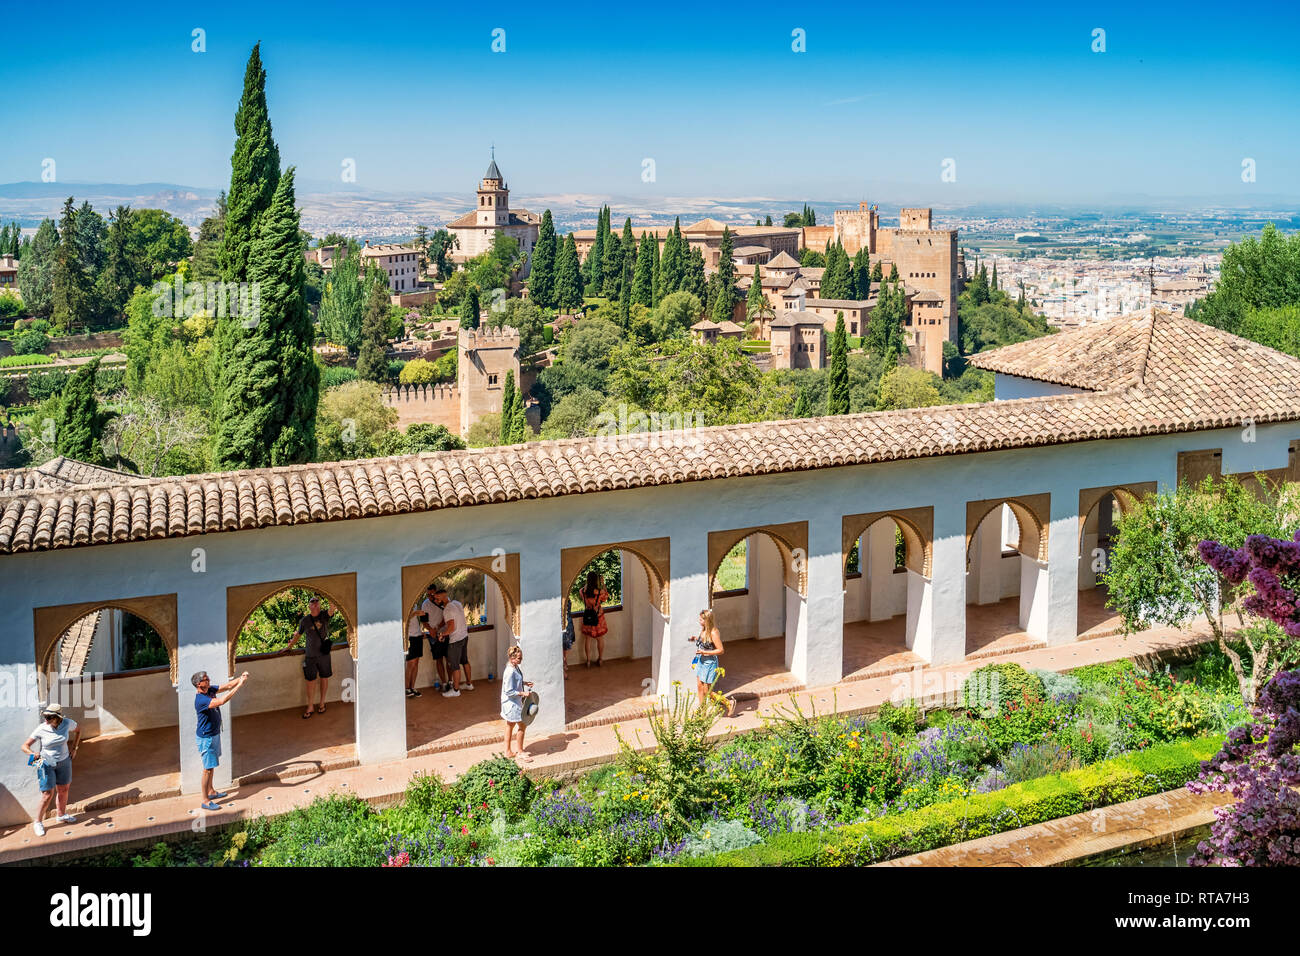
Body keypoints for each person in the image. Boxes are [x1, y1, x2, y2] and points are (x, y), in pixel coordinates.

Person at [192, 669, 249, 811]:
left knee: (211, 767)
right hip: (206, 738)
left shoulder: (209, 689)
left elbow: (227, 686)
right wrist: (239, 686)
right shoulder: (201, 700)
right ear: (199, 684)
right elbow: (222, 701)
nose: (209, 680)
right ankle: (205, 800)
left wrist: (241, 678)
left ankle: (211, 792)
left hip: (213, 735)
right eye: (206, 679)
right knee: (207, 769)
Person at [21, 702, 80, 837]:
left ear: (58, 717)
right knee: (47, 794)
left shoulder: (67, 723)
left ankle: (61, 815)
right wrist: (32, 754)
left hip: (64, 761)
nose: (46, 720)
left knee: (64, 789)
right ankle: (38, 822)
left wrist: (75, 748)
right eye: (45, 717)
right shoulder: (41, 728)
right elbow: (24, 746)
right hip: (45, 763)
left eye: (49, 717)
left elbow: (78, 731)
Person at [286, 596, 333, 718]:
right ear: (309, 606)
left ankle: (322, 703)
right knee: (310, 681)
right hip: (310, 656)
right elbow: (298, 635)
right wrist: (289, 647)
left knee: (324, 678)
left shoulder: (324, 615)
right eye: (312, 601)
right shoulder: (305, 621)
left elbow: (332, 609)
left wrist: (330, 597)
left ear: (320, 604)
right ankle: (310, 706)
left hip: (324, 655)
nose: (315, 603)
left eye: (317, 601)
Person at [433, 587, 472, 696]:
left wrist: (442, 634)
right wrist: (441, 626)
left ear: (443, 598)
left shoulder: (447, 610)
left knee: (454, 666)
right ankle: (469, 684)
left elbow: (451, 628)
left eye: (437, 599)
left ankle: (455, 691)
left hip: (456, 640)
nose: (436, 601)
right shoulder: (456, 603)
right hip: (464, 636)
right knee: (464, 661)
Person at [688, 607, 727, 710]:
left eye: (701, 619)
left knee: (707, 691)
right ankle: (702, 711)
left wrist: (704, 652)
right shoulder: (704, 629)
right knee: (700, 687)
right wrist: (695, 639)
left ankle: (728, 702)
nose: (699, 621)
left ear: (706, 620)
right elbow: (705, 642)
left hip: (709, 663)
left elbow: (721, 650)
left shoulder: (713, 632)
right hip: (701, 660)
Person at [500, 645, 533, 763]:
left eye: (521, 658)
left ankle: (508, 751)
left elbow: (515, 682)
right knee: (523, 725)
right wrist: (522, 693)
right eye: (519, 658)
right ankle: (520, 751)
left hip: (512, 703)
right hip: (512, 703)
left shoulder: (514, 668)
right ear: (512, 658)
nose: (521, 660)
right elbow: (509, 691)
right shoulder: (510, 671)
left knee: (510, 726)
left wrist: (524, 682)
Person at [420, 585, 449, 690]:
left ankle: (450, 681)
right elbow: (423, 621)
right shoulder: (425, 604)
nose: (430, 597)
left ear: (436, 592)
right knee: (438, 659)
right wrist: (431, 630)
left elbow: (447, 616)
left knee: (449, 658)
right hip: (433, 635)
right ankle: (444, 683)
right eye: (427, 595)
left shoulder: (445, 601)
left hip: (445, 633)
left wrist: (439, 627)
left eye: (432, 594)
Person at [578, 571, 609, 667]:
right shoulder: (599, 592)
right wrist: (603, 583)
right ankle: (600, 659)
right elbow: (606, 596)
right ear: (596, 580)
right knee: (599, 639)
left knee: (588, 639)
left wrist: (587, 584)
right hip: (598, 616)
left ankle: (588, 661)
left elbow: (582, 591)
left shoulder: (582, 591)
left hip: (588, 616)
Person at [405, 609, 426, 698]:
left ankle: (412, 687)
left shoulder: (414, 603)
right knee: (411, 664)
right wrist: (415, 613)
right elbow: (404, 619)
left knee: (416, 663)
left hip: (418, 636)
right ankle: (406, 688)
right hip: (410, 637)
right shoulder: (405, 603)